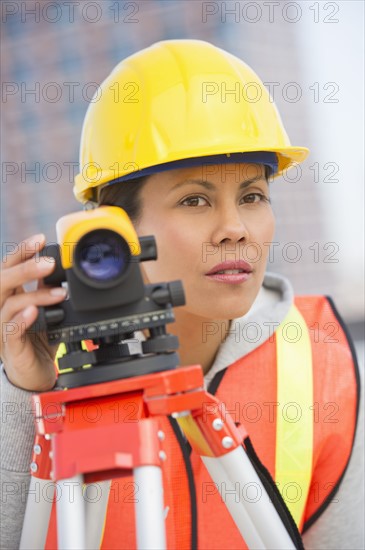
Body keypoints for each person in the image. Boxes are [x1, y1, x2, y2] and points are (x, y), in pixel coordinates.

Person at [1, 39, 362, 549]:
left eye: (253, 196)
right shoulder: (50, 370)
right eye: (195, 199)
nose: (236, 228)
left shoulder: (322, 355)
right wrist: (23, 394)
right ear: (113, 229)